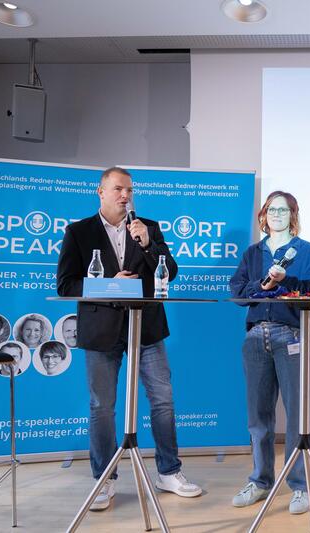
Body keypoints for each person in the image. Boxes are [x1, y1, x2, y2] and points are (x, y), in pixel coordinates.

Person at [56, 166, 201, 511]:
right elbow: (65, 285)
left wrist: (149, 245)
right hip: (101, 331)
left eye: (130, 190)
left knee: (162, 400)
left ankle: (169, 471)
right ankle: (104, 480)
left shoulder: (147, 228)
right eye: (119, 189)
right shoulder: (79, 232)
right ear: (101, 191)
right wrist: (108, 283)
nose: (125, 195)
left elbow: (171, 271)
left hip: (146, 328)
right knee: (101, 407)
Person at [229, 191, 310, 515]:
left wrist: (286, 283)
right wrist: (263, 286)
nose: (277, 214)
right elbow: (238, 293)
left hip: (292, 336)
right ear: (264, 215)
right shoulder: (253, 253)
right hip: (256, 338)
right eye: (272, 209)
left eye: (284, 210)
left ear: (293, 215)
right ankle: (260, 480)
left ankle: (300, 485)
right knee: (258, 417)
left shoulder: (306, 251)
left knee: (298, 415)